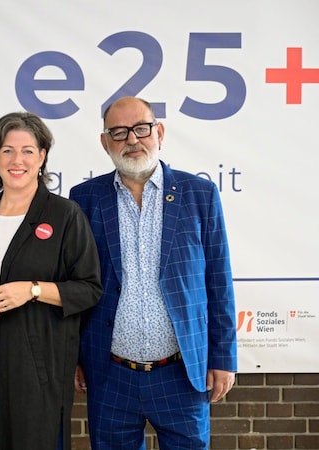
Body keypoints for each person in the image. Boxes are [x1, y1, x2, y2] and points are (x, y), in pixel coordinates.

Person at [69, 96, 237, 449]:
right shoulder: (83, 199)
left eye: (141, 128)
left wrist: (223, 358)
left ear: (159, 132)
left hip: (181, 375)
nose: (132, 139)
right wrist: (73, 359)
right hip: (110, 376)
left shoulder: (199, 194)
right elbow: (74, 286)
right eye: (119, 132)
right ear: (104, 142)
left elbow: (218, 282)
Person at [0, 112, 102, 450]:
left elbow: (89, 288)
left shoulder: (65, 215)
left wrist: (32, 290)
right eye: (6, 150)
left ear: (42, 156)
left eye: (27, 151)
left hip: (39, 366)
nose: (16, 160)